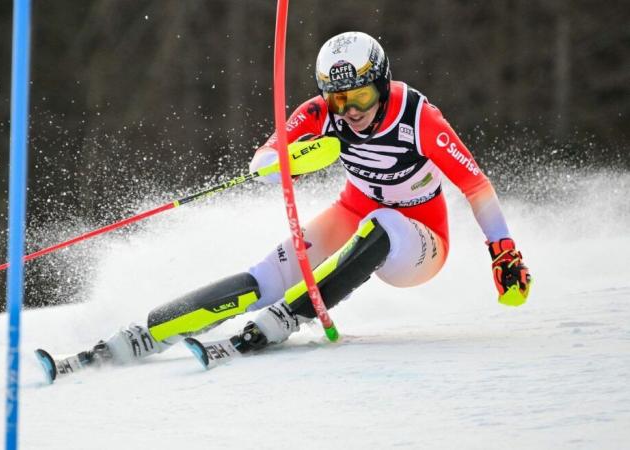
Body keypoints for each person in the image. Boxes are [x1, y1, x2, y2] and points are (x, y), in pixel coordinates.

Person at [41, 31, 531, 379]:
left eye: (361, 95)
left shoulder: (418, 117)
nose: (353, 111)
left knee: (383, 221)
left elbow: (476, 184)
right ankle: (147, 332)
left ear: (381, 84)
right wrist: (282, 162)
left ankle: (288, 317)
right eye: (341, 101)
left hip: (420, 243)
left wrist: (503, 250)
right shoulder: (322, 112)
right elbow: (269, 152)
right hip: (352, 213)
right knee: (270, 271)